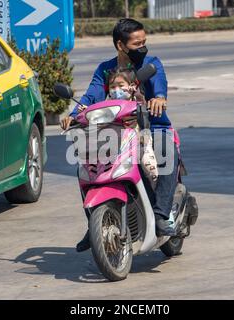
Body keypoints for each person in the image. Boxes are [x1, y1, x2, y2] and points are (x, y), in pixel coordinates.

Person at [61, 18, 180, 252]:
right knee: (87, 165)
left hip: (152, 128)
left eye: (144, 42)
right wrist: (73, 115)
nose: (143, 48)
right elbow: (90, 97)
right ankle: (95, 218)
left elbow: (160, 87)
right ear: (120, 45)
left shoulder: (151, 63)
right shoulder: (105, 70)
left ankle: (161, 215)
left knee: (166, 153)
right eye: (137, 44)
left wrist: (159, 99)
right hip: (115, 131)